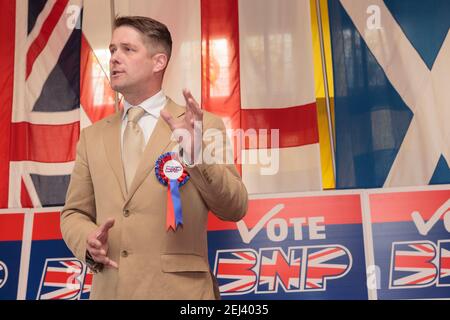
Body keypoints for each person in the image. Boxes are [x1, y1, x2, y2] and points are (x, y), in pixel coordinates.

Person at [60, 15, 248, 300]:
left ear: (158, 62)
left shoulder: (202, 125)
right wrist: (86, 240)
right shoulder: (92, 137)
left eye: (127, 49)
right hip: (111, 291)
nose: (114, 58)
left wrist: (197, 155)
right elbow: (74, 213)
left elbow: (235, 206)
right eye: (112, 50)